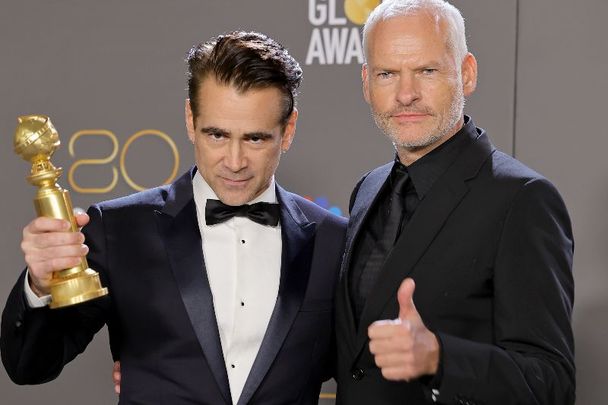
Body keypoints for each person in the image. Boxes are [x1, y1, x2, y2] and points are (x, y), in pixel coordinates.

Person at [1, 31, 347, 405]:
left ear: (288, 130)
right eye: (216, 135)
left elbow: (350, 366)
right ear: (189, 119)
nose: (234, 161)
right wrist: (39, 285)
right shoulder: (118, 229)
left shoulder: (334, 240)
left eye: (255, 139)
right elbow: (29, 366)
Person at [333, 1, 575, 404]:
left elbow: (552, 382)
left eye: (427, 71)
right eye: (387, 73)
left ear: (466, 73)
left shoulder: (522, 199)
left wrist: (440, 357)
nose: (406, 94)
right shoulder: (368, 189)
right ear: (366, 83)